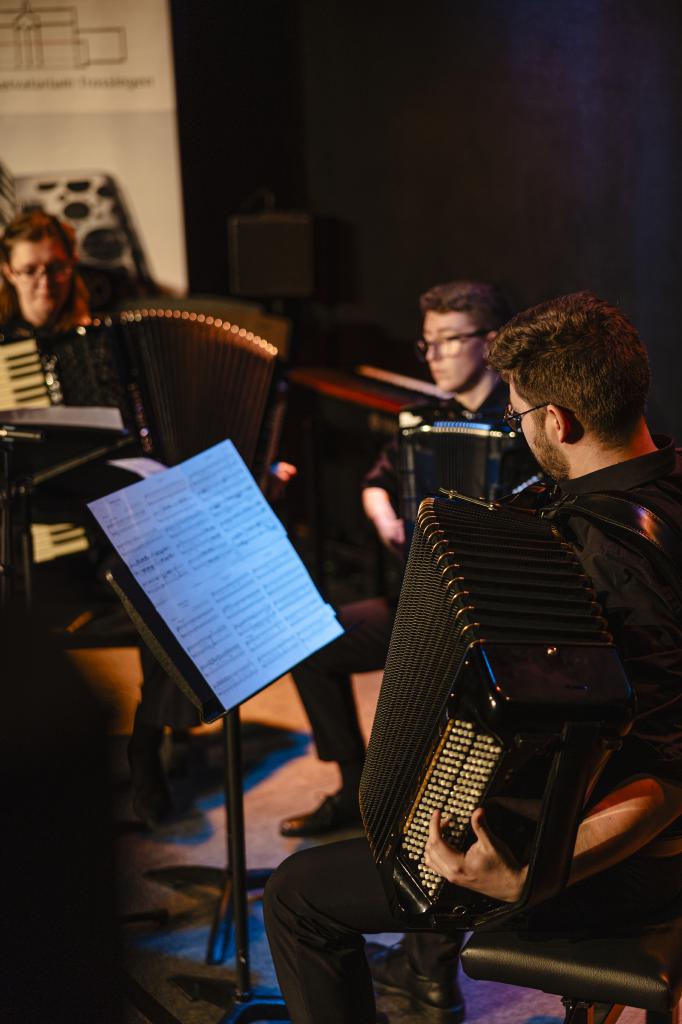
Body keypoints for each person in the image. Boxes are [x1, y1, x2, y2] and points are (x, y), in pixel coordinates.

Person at [263, 290, 682, 1024]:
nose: (519, 433)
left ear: (560, 421)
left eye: (519, 417)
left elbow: (672, 770)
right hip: (637, 845)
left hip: (637, 864)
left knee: (297, 895)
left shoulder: (606, 556)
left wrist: (533, 875)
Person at [280, 280, 533, 840]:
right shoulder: (423, 419)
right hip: (421, 603)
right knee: (309, 642)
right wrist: (381, 511)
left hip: (497, 618)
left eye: (447, 340)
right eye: (427, 344)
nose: (434, 355)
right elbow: (379, 480)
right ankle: (353, 786)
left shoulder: (527, 423)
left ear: (489, 342)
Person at [0, 209, 90, 339]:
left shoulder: (99, 325)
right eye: (29, 271)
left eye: (56, 267)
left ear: (72, 263)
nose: (45, 282)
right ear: (9, 273)